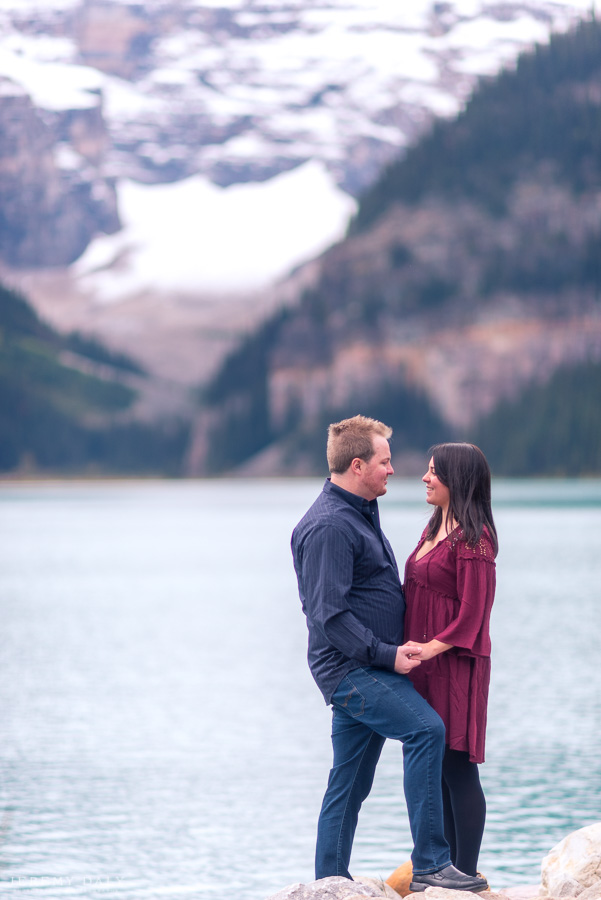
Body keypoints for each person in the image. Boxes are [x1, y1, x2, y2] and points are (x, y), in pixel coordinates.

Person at [291, 415, 488, 893]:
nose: (393, 470)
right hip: (355, 670)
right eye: (385, 461)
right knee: (426, 730)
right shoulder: (329, 527)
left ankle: (330, 881)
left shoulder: (357, 511)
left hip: (369, 668)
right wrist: (388, 655)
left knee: (350, 782)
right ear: (358, 466)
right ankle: (430, 865)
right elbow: (329, 617)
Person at [403, 442, 498, 879]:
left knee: (457, 766)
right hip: (423, 665)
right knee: (434, 765)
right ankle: (444, 869)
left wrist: (428, 650)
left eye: (433, 471)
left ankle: (467, 872)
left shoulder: (474, 537)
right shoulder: (434, 525)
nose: (425, 477)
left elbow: (473, 616)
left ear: (456, 479)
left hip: (454, 664)